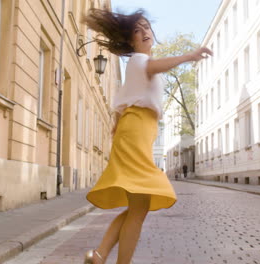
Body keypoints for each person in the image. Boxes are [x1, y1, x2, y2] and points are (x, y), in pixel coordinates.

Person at [82, 8, 212, 264]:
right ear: (130, 40)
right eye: (136, 30)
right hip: (137, 131)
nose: (143, 32)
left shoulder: (135, 66)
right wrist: (190, 55)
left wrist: (118, 128)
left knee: (137, 209)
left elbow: (122, 104)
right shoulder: (140, 61)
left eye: (146, 27)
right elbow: (154, 66)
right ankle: (112, 259)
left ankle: (99, 255)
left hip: (137, 131)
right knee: (139, 209)